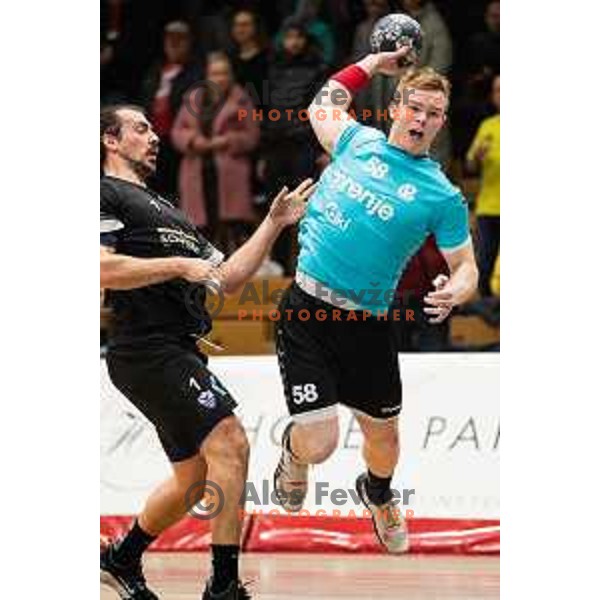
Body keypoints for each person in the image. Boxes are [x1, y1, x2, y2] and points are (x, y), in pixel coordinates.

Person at [99, 104, 315, 600]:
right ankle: (223, 586)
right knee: (232, 443)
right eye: (140, 128)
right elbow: (100, 269)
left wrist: (274, 223)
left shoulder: (168, 208)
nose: (154, 137)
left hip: (178, 350)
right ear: (110, 141)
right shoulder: (104, 193)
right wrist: (179, 265)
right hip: (146, 349)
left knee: (193, 478)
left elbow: (230, 278)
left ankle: (121, 557)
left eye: (153, 129)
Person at [272, 48, 478, 553]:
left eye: (432, 113)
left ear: (441, 123)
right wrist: (371, 62)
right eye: (414, 108)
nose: (421, 119)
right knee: (318, 444)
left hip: (367, 324)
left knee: (384, 443)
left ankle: (378, 493)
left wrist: (456, 290)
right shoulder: (355, 141)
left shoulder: (442, 195)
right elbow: (325, 101)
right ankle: (292, 457)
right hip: (307, 309)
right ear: (395, 110)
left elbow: (467, 266)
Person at [171, 52, 260, 255]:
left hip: (229, 170)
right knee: (201, 229)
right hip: (197, 170)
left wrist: (228, 140)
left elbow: (252, 136)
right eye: (215, 73)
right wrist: (193, 140)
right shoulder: (193, 99)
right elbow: (177, 132)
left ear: (231, 75)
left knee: (232, 229)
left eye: (224, 73)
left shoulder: (242, 99)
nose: (220, 78)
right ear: (207, 75)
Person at [258, 17, 328, 273]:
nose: (293, 42)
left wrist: (322, 150)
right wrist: (263, 153)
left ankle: (305, 269)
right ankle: (277, 268)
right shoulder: (273, 68)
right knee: (275, 208)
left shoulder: (318, 68)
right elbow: (267, 111)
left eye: (298, 37)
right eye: (289, 36)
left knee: (304, 209)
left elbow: (322, 111)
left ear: (306, 40)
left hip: (304, 146)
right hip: (276, 147)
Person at [140, 21, 202, 199]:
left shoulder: (196, 72)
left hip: (177, 141)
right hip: (152, 138)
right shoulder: (155, 70)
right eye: (170, 39)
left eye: (180, 39)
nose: (173, 44)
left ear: (189, 42)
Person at [466, 74, 500, 298]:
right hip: (488, 207)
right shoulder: (487, 126)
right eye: (498, 90)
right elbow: (470, 165)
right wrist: (477, 157)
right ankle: (490, 312)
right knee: (485, 262)